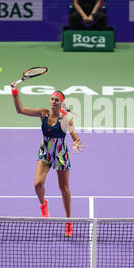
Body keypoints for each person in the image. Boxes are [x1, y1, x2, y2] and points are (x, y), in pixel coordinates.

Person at [11, 82, 83, 237]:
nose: (53, 102)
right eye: (51, 99)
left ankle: (69, 222)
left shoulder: (65, 121)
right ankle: (43, 204)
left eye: (56, 100)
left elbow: (75, 137)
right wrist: (15, 92)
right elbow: (20, 110)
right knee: (37, 184)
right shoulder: (43, 114)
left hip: (60, 155)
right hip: (46, 153)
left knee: (64, 189)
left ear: (61, 103)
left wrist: (76, 144)